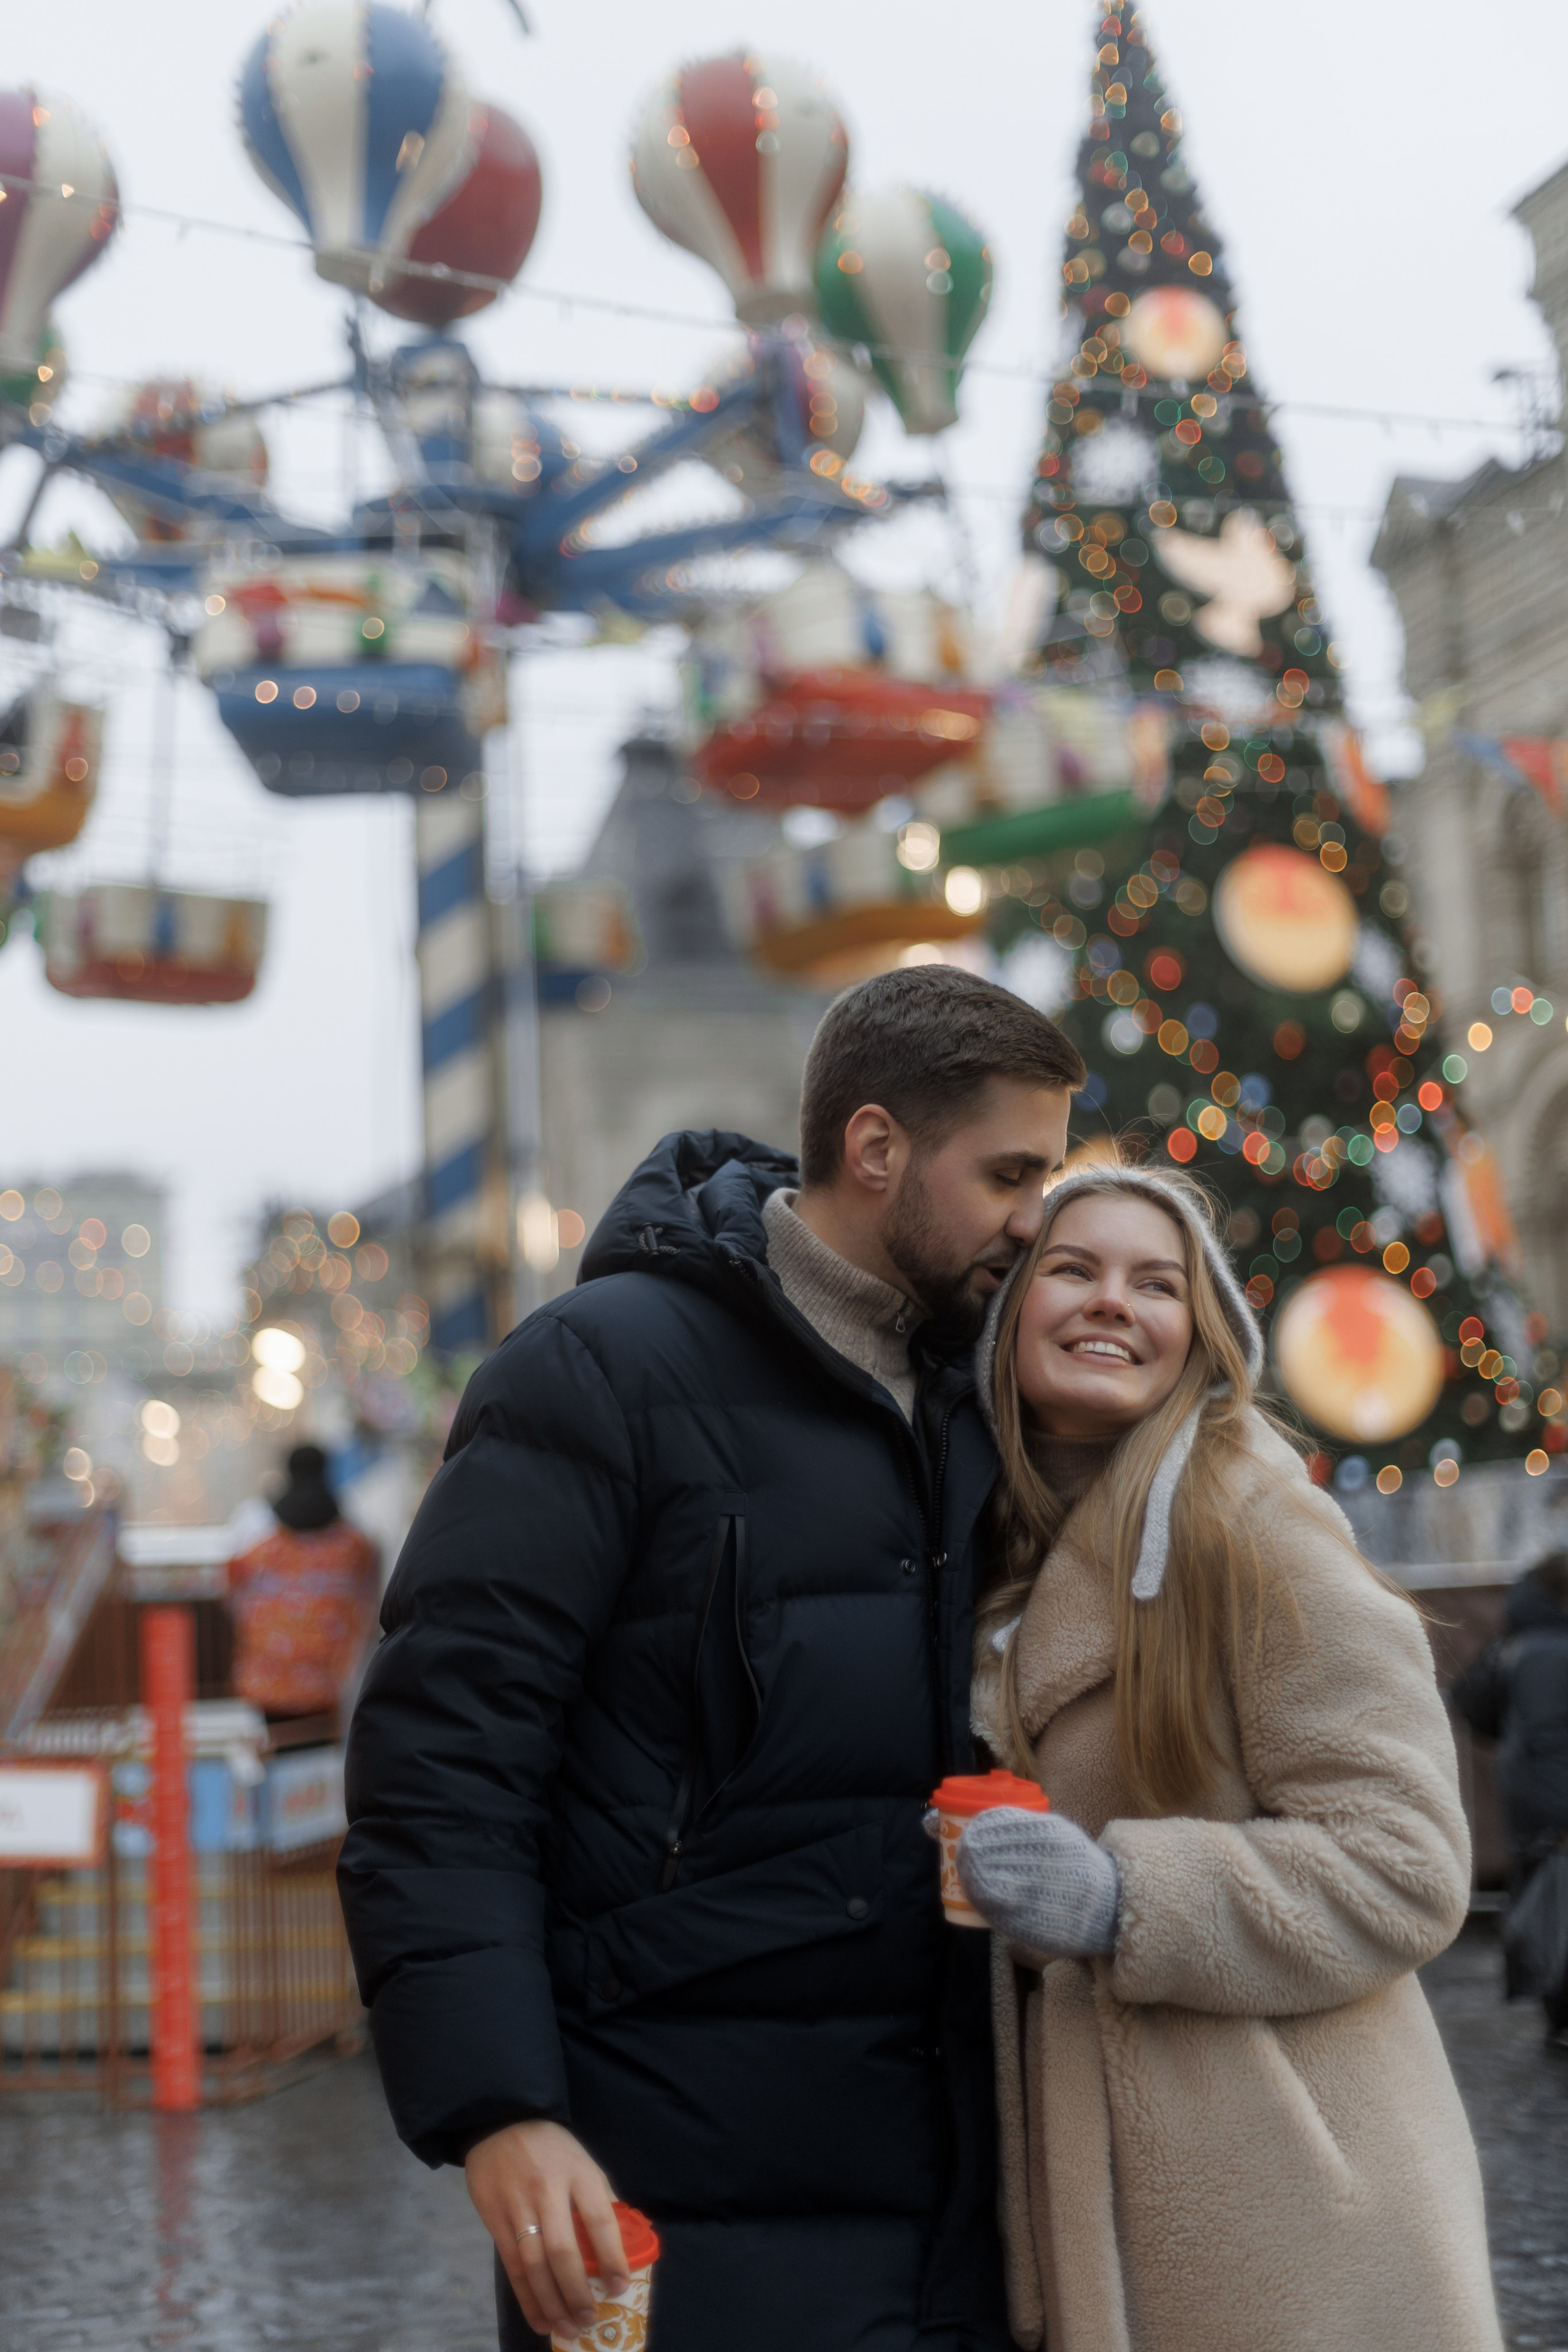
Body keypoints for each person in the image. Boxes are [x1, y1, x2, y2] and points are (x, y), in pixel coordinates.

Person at [337, 965, 1083, 2352]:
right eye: (1007, 1172)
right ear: (874, 1148)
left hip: (957, 2191)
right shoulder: (596, 1372)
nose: (1034, 1219)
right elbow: (442, 1764)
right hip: (674, 2174)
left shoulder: (990, 1393)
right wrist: (499, 2108)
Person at [952, 1163, 1502, 2352]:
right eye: (1071, 1270)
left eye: (1155, 1285)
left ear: (1196, 1341)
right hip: (1096, 2223)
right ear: (1005, 1322)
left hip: (1295, 2228)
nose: (1112, 1301)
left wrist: (1123, 1897)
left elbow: (1404, 1863)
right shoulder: (980, 1558)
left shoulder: (1249, 1526)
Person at [1452, 1550, 1568, 2040]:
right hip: (1554, 1798)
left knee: (1545, 1902)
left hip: (1527, 1797)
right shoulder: (1551, 1647)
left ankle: (1556, 2011)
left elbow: (1472, 1707)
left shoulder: (1516, 1641)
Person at [228, 1443, 379, 1725]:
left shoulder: (255, 1528)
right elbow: (370, 1602)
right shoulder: (357, 1539)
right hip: (332, 1679)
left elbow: (233, 1595)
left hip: (266, 1677)